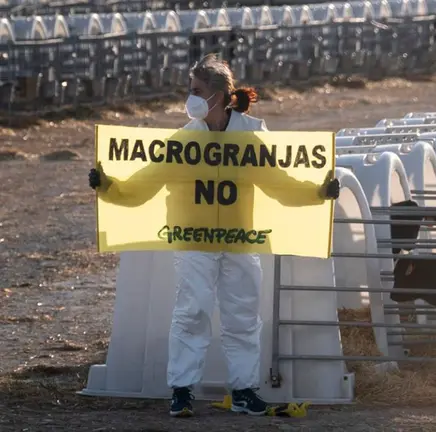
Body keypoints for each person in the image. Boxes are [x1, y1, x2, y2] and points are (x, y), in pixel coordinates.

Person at [88, 53, 341, 418]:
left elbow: (280, 184)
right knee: (192, 313)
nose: (189, 98)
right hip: (194, 242)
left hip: (239, 242)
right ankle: (182, 390)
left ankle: (243, 390)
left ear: (220, 96)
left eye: (196, 90)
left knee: (243, 317)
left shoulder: (251, 137)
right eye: (189, 90)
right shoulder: (182, 140)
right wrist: (107, 185)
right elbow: (143, 184)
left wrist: (319, 192)